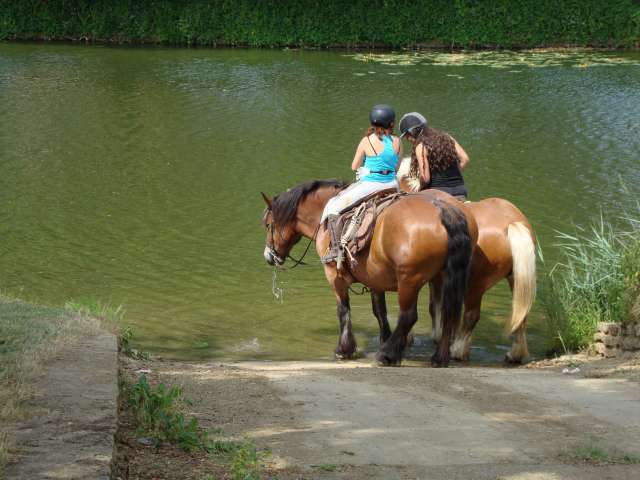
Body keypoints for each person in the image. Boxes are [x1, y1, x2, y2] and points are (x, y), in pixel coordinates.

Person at [321, 104, 402, 269]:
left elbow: (354, 166)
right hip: (393, 184)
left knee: (333, 207)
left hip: (372, 184)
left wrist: (367, 168)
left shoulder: (367, 141)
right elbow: (397, 167)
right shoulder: (398, 141)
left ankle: (336, 250)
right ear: (391, 124)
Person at [398, 112, 469, 201]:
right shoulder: (447, 138)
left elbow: (425, 178)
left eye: (407, 136)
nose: (408, 140)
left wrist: (419, 188)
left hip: (438, 196)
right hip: (460, 192)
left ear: (411, 132)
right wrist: (452, 175)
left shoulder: (421, 146)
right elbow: (465, 159)